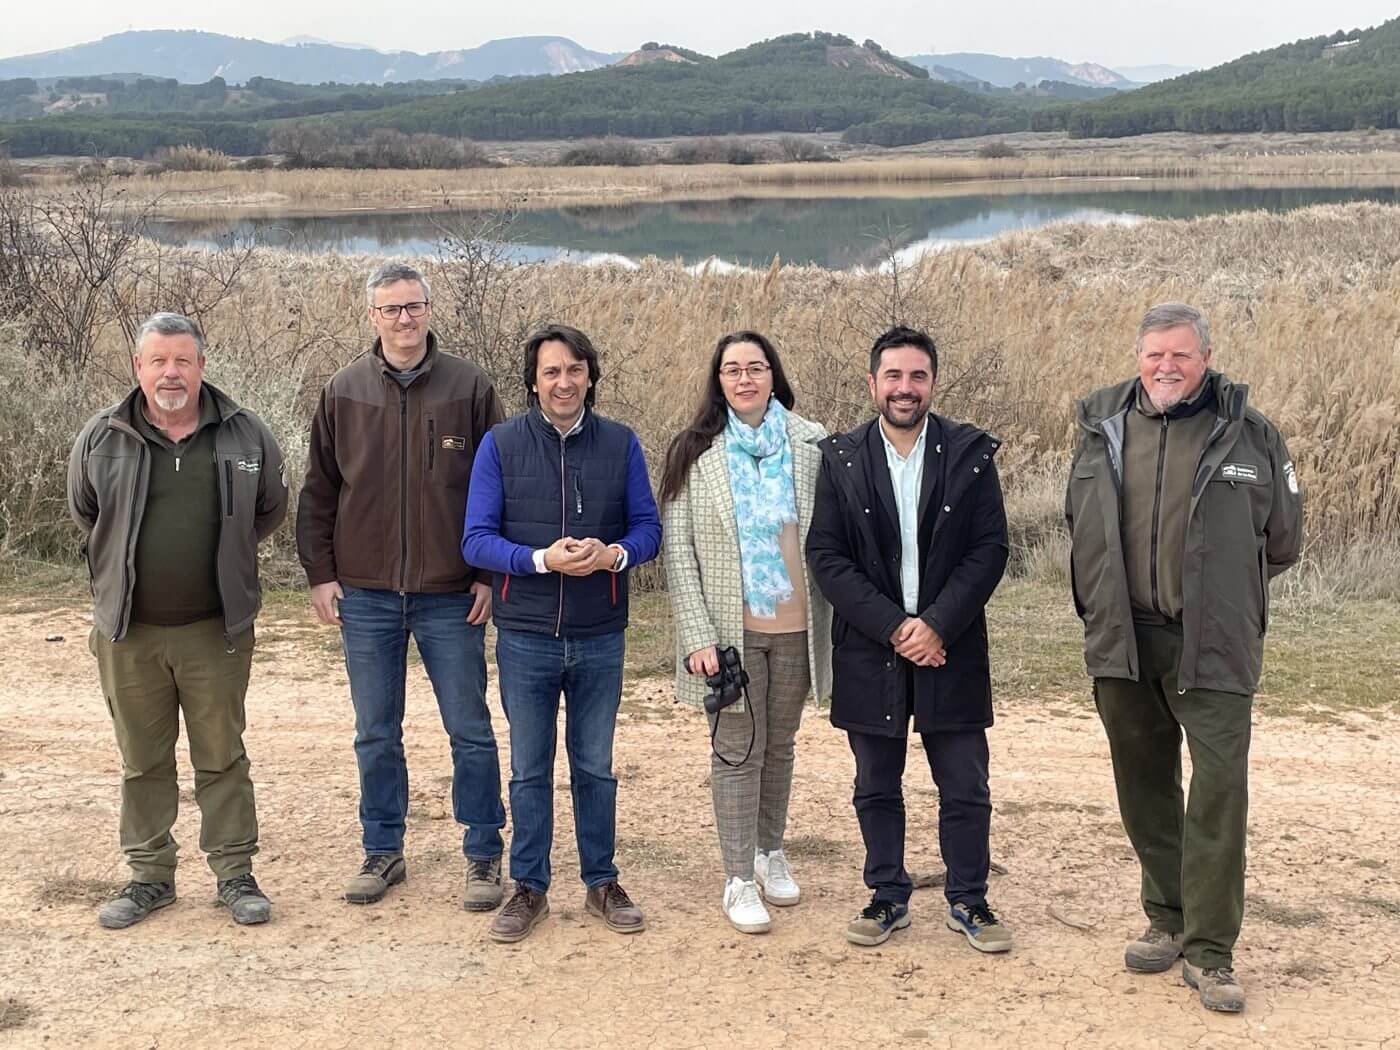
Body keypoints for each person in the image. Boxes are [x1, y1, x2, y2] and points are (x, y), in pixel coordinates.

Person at [1066, 301, 1302, 1013]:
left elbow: (1283, 540)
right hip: (1124, 639)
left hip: (1216, 643)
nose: (1166, 366)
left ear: (1206, 358)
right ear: (1138, 357)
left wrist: (1223, 594)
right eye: (1155, 354)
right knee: (1144, 786)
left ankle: (1210, 952)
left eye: (1181, 354)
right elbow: (1078, 522)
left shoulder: (1252, 433)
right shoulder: (1101, 426)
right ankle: (1166, 918)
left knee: (1219, 792)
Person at [296, 261, 507, 911]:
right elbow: (319, 490)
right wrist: (321, 574)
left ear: (429, 310)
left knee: (469, 728)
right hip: (366, 593)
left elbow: (499, 486)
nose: (404, 318)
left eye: (413, 306)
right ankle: (382, 850)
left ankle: (483, 853)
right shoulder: (344, 390)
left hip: (451, 592)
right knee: (375, 731)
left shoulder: (470, 386)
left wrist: (488, 575)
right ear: (372, 316)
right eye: (390, 309)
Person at [67, 312, 288, 928]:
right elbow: (87, 513)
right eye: (158, 361)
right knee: (143, 761)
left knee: (222, 756)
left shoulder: (245, 433)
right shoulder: (102, 436)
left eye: (182, 361)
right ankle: (149, 878)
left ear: (201, 366)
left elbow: (269, 509)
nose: (171, 373)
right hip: (129, 633)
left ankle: (235, 875)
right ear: (138, 367)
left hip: (215, 630)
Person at [806, 325, 1011, 953]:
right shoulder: (840, 458)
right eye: (892, 376)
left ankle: (969, 899)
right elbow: (826, 555)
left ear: (933, 383)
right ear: (873, 383)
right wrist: (896, 627)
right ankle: (887, 895)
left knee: (965, 785)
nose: (905, 387)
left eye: (917, 376)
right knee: (875, 782)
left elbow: (989, 549)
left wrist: (936, 624)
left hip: (951, 643)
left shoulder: (971, 453)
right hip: (873, 645)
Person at [462, 323, 661, 944]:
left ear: (590, 377)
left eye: (575, 369)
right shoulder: (500, 444)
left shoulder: (621, 444)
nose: (564, 382)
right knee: (528, 769)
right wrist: (540, 560)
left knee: (595, 766)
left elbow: (648, 530)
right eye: (551, 371)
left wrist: (613, 556)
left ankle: (602, 881)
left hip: (600, 632)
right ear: (533, 381)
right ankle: (529, 886)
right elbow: (476, 540)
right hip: (525, 634)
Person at [659, 331, 831, 934]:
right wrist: (697, 635)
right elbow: (679, 551)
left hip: (798, 626)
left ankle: (768, 850)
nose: (744, 379)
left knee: (779, 745)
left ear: (773, 375)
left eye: (755, 367)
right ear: (719, 381)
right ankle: (737, 877)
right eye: (732, 370)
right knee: (736, 750)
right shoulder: (694, 450)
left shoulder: (812, 444)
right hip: (729, 633)